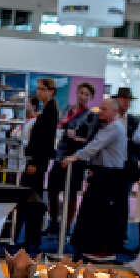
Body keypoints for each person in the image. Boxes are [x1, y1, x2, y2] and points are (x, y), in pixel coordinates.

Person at [62, 98, 129, 262]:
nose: (101, 111)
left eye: (105, 109)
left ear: (115, 111)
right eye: (101, 108)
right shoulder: (106, 126)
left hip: (110, 176)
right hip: (102, 174)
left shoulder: (114, 127)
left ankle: (102, 249)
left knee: (101, 214)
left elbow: (95, 146)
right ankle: (89, 246)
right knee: (91, 211)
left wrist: (75, 157)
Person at [18, 78, 61, 253]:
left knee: (32, 201)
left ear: (51, 91)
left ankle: (32, 239)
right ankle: (31, 238)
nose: (39, 92)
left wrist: (35, 162)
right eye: (38, 89)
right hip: (36, 161)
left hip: (37, 162)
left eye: (42, 89)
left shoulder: (50, 112)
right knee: (30, 201)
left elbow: (44, 142)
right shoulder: (47, 110)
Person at [47, 82, 97, 229]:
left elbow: (91, 140)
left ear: (90, 97)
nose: (83, 96)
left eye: (86, 94)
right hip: (60, 155)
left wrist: (75, 138)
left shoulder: (90, 116)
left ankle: (67, 225)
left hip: (76, 158)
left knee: (72, 193)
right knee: (52, 189)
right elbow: (60, 126)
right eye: (81, 93)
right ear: (76, 93)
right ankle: (54, 222)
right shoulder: (67, 110)